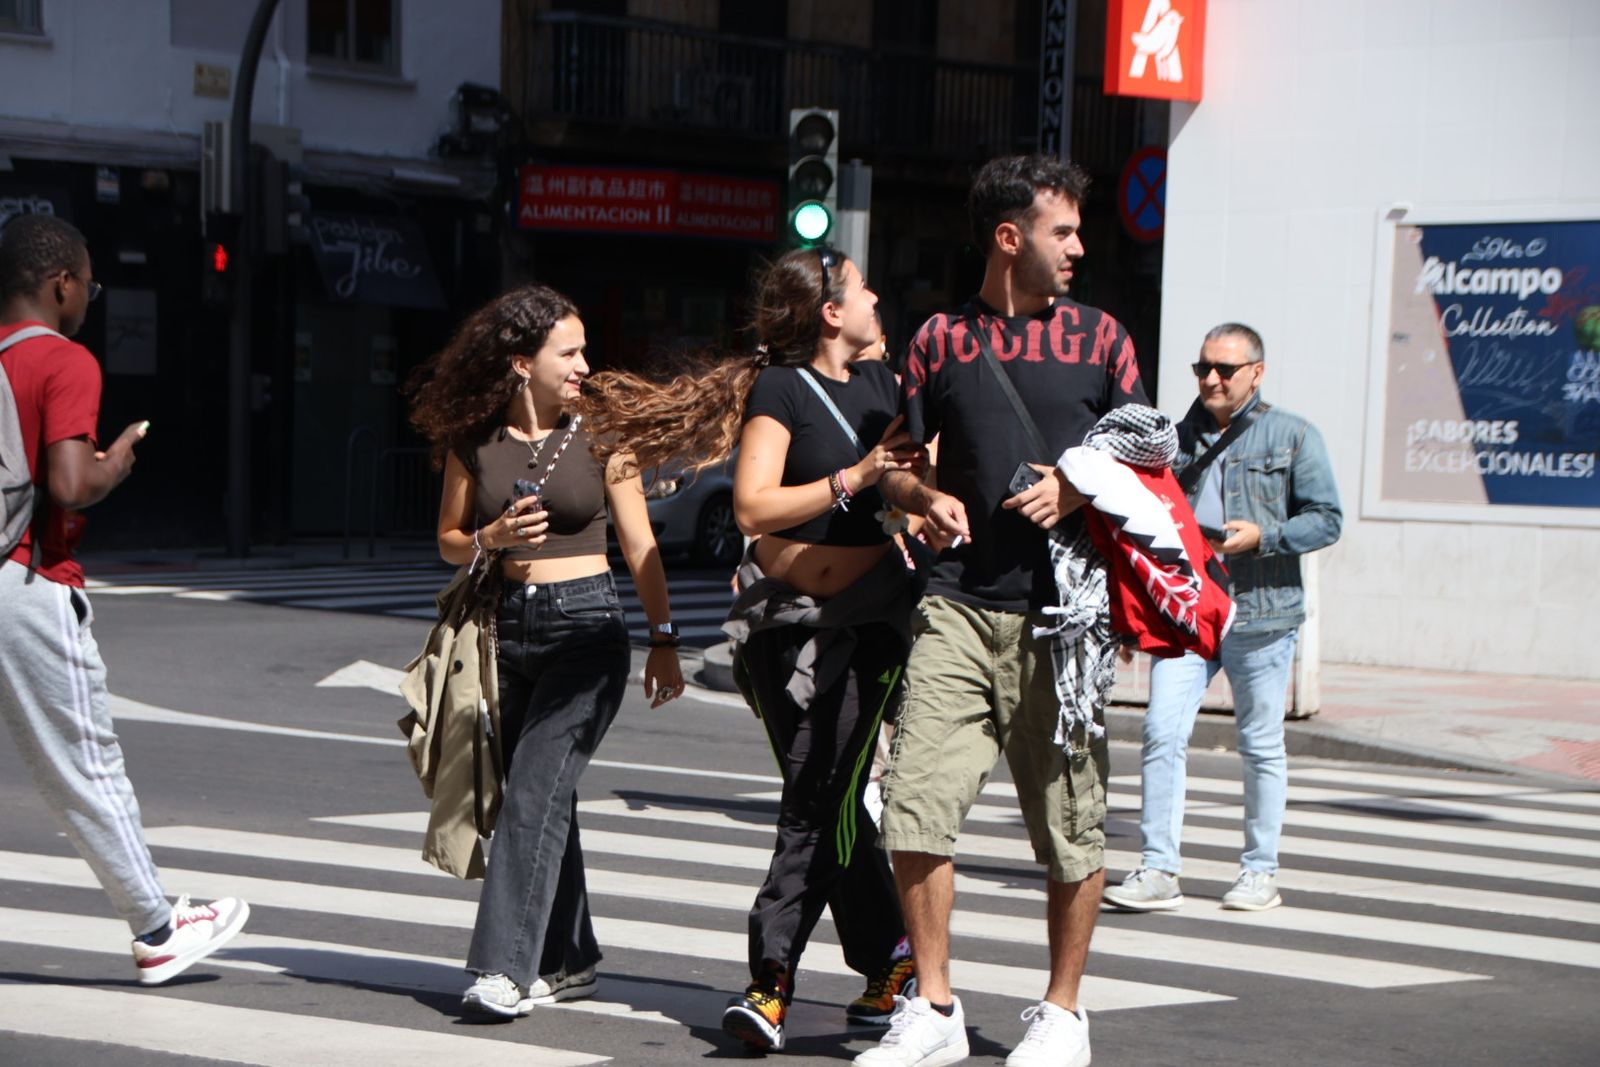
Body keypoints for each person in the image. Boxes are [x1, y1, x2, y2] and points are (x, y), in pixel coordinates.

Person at [581, 247, 923, 1053]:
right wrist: (857, 476)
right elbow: (753, 505)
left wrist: (915, 498)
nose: (879, 295)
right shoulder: (782, 389)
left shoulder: (888, 387)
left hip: (870, 626)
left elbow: (915, 481)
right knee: (829, 797)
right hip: (782, 631)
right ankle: (890, 962)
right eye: (864, 285)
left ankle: (771, 981)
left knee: (817, 798)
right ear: (831, 312)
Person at [859, 154, 1148, 1067]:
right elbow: (893, 464)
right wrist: (918, 496)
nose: (1079, 247)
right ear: (1008, 236)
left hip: (1065, 622)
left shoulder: (1104, 339)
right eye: (1062, 231)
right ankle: (935, 1008)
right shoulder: (938, 340)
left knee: (1072, 820)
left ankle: (1064, 1013)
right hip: (956, 605)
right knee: (914, 804)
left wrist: (1078, 485)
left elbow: (1149, 464)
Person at [406, 283, 685, 1020]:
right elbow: (448, 539)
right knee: (541, 792)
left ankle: (503, 966)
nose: (584, 365)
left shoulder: (602, 434)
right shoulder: (477, 438)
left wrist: (663, 637)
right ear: (521, 362)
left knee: (532, 790)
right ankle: (570, 957)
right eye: (570, 351)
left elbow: (638, 541)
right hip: (507, 629)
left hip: (588, 631)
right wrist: (489, 541)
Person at [0, 215, 250, 985]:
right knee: (83, 761)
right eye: (88, 285)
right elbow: (71, 484)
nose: (88, 299)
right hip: (28, 580)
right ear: (61, 284)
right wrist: (116, 462)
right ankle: (158, 925)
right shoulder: (63, 360)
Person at [1103, 323, 1341, 914]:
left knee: (1260, 745)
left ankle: (1260, 872)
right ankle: (1159, 868)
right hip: (1188, 611)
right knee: (1161, 732)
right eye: (1202, 368)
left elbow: (1328, 519)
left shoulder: (1293, 434)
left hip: (1261, 614)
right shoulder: (1170, 439)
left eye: (1224, 370)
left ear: (1256, 373)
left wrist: (1267, 536)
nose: (1210, 378)